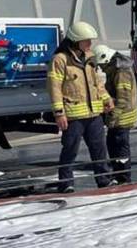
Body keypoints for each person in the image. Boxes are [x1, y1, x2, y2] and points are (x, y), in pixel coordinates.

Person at [47, 21, 114, 193]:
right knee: (70, 150)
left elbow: (97, 83)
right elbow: (54, 88)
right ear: (76, 41)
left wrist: (106, 98)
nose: (90, 44)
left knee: (99, 148)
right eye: (87, 40)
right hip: (73, 116)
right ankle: (66, 183)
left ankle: (104, 180)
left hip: (94, 114)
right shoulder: (60, 60)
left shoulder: (90, 57)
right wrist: (59, 113)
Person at [94, 44, 137, 185]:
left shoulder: (121, 72)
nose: (101, 69)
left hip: (122, 118)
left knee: (120, 148)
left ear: (106, 60)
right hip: (119, 117)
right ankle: (118, 175)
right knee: (113, 145)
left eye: (101, 65)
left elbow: (123, 99)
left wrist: (113, 117)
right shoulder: (116, 69)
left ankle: (124, 179)